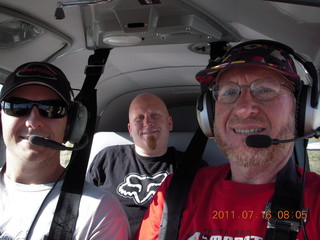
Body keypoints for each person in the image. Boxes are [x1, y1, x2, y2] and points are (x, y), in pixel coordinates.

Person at [134, 40, 320, 239]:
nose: (244, 109)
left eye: (265, 89)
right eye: (229, 92)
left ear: (301, 110)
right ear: (210, 115)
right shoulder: (174, 193)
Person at [0, 62, 130, 239]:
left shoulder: (97, 212)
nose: (33, 121)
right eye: (17, 107)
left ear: (71, 125)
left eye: (51, 109)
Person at [86, 93, 207, 238]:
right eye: (139, 118)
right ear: (130, 129)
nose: (147, 122)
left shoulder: (192, 166)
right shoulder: (107, 159)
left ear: (169, 123)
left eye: (155, 115)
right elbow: (84, 206)